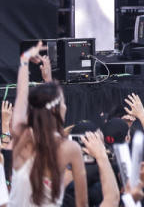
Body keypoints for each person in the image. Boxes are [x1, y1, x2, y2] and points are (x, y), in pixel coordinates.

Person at [10, 42, 87, 207]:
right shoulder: (70, 148)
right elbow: (82, 203)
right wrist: (48, 80)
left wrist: (24, 61)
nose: (65, 106)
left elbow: (22, 95)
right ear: (56, 111)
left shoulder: (21, 135)